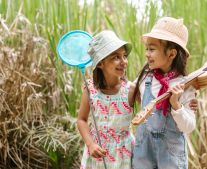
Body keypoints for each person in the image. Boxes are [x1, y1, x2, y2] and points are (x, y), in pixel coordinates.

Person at [132, 17, 197, 169]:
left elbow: (189, 127)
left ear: (171, 54)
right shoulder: (144, 80)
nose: (147, 54)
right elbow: (125, 92)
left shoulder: (186, 85)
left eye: (152, 49)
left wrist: (176, 105)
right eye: (147, 49)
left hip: (171, 159)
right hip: (143, 156)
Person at [77, 30, 135, 169]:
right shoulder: (90, 89)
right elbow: (81, 120)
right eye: (116, 57)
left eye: (124, 56)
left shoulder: (130, 90)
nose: (123, 62)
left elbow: (154, 101)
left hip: (123, 154)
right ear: (101, 63)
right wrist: (90, 144)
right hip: (97, 152)